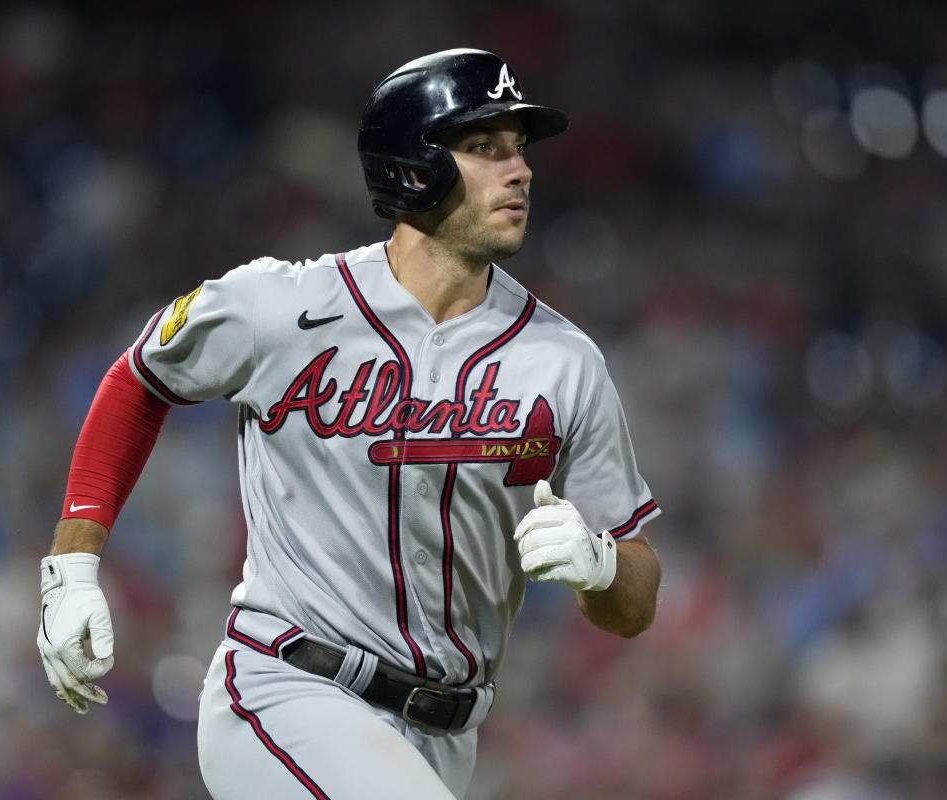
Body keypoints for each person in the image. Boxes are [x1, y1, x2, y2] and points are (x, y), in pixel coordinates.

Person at [37, 48, 662, 800]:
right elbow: (140, 379)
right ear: (412, 165)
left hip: (444, 737)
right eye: (484, 148)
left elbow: (635, 600)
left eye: (519, 150)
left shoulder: (563, 361)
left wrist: (597, 566)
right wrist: (71, 569)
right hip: (285, 690)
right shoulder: (283, 307)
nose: (520, 171)